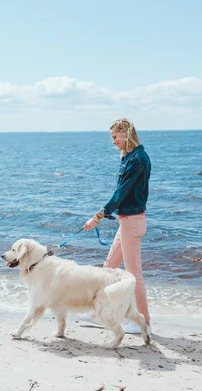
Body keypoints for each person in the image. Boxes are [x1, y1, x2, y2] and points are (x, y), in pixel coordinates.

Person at [81, 118, 152, 334]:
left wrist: (98, 217)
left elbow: (120, 194)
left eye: (115, 137)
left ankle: (143, 322)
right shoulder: (130, 157)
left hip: (132, 223)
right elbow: (122, 193)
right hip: (127, 223)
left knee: (133, 276)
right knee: (109, 267)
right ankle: (99, 313)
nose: (113, 142)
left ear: (125, 133)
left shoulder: (138, 159)